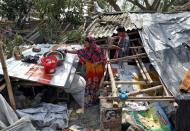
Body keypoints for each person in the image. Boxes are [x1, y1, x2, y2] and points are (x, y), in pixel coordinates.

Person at [64, 36, 106, 106]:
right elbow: (77, 51)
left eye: (86, 42)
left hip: (97, 70)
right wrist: (67, 51)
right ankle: (90, 99)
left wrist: (97, 63)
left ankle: (94, 100)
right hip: (90, 69)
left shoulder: (98, 50)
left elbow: (104, 59)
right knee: (89, 84)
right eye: (85, 42)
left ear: (91, 43)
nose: (85, 44)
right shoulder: (86, 50)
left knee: (95, 85)